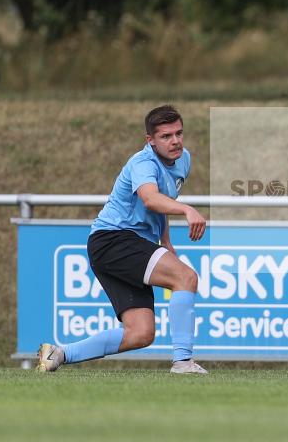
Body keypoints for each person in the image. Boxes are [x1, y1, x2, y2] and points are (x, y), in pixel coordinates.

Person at [37, 105, 209, 374]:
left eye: (179, 133)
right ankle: (183, 362)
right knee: (186, 278)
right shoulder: (142, 163)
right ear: (150, 140)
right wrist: (188, 210)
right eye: (165, 136)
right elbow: (150, 198)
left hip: (119, 245)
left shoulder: (183, 159)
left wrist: (165, 242)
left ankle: (59, 354)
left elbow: (162, 202)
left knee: (140, 333)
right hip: (114, 240)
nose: (175, 141)